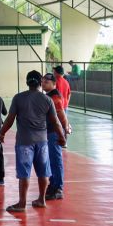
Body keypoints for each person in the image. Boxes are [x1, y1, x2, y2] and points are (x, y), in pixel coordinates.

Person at [0, 70, 66, 213]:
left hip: (24, 141)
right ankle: (41, 200)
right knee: (43, 172)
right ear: (40, 83)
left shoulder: (18, 98)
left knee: (24, 173)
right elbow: (55, 122)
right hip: (42, 141)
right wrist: (61, 137)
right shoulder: (47, 100)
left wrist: (2, 133)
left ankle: (22, 203)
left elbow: (10, 119)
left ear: (27, 82)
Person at [42, 73, 71, 201]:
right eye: (42, 81)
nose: (43, 83)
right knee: (50, 160)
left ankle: (58, 188)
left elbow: (61, 115)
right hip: (48, 132)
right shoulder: (48, 96)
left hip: (54, 132)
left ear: (54, 84)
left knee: (56, 160)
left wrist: (65, 129)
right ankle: (53, 185)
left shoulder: (55, 98)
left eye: (47, 82)